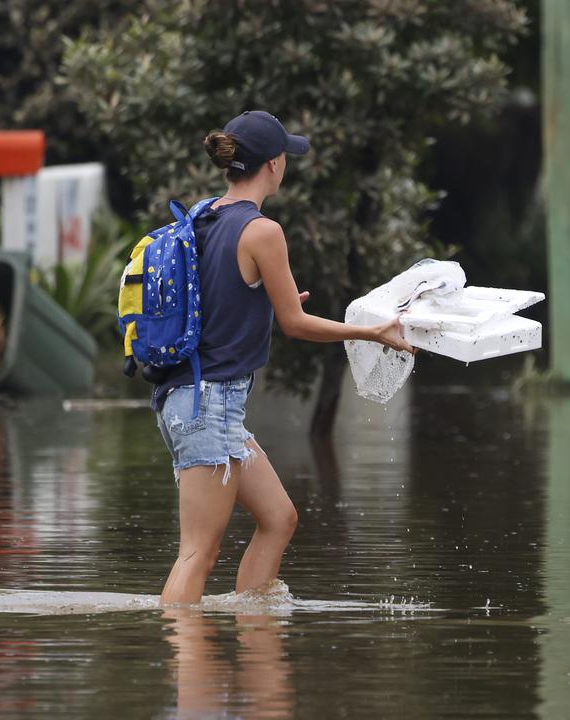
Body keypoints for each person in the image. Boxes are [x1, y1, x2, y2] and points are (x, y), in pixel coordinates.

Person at [154, 110, 414, 605]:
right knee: (198, 552)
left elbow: (220, 302)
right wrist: (373, 331)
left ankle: (256, 639)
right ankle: (188, 676)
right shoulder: (262, 231)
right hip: (206, 404)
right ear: (273, 165)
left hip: (199, 400)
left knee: (279, 518)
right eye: (285, 158)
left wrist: (271, 303)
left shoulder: (203, 215)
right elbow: (296, 325)